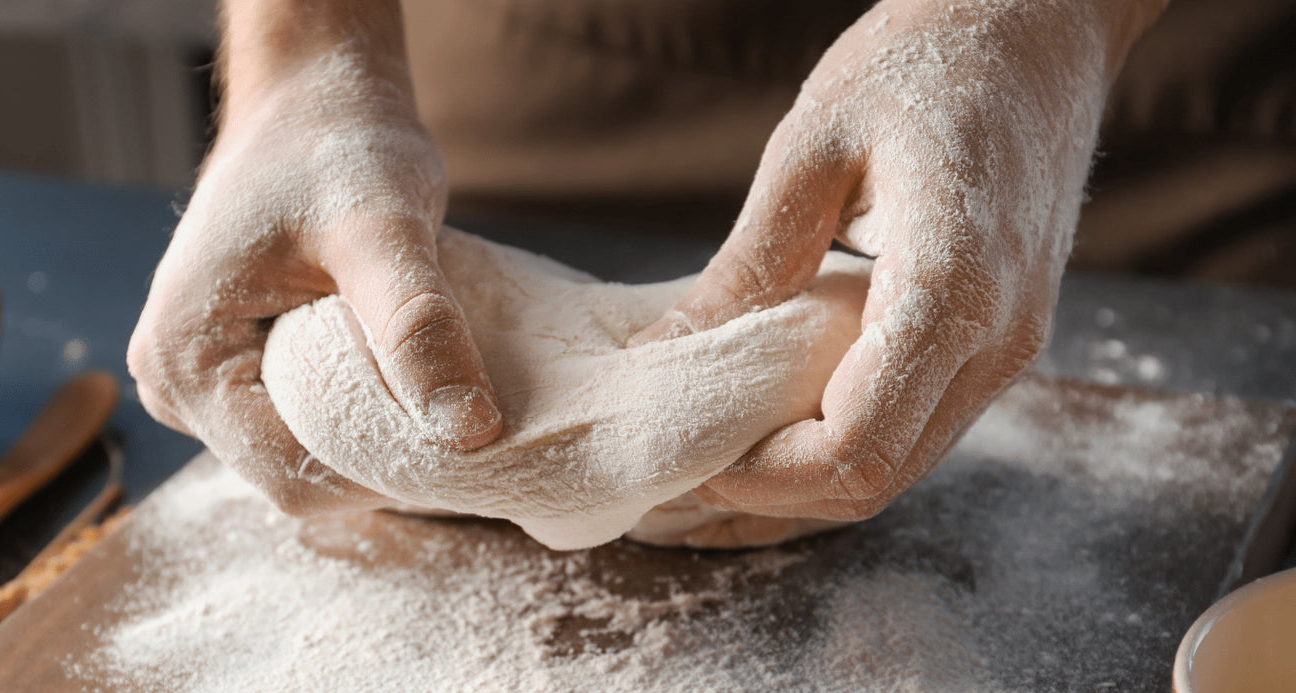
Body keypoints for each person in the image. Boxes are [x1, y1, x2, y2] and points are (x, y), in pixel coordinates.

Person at [128, 0, 1174, 526]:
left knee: (928, 324)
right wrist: (303, 53)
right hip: (550, 56)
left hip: (1139, 121)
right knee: (385, 291)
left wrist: (1043, 19)